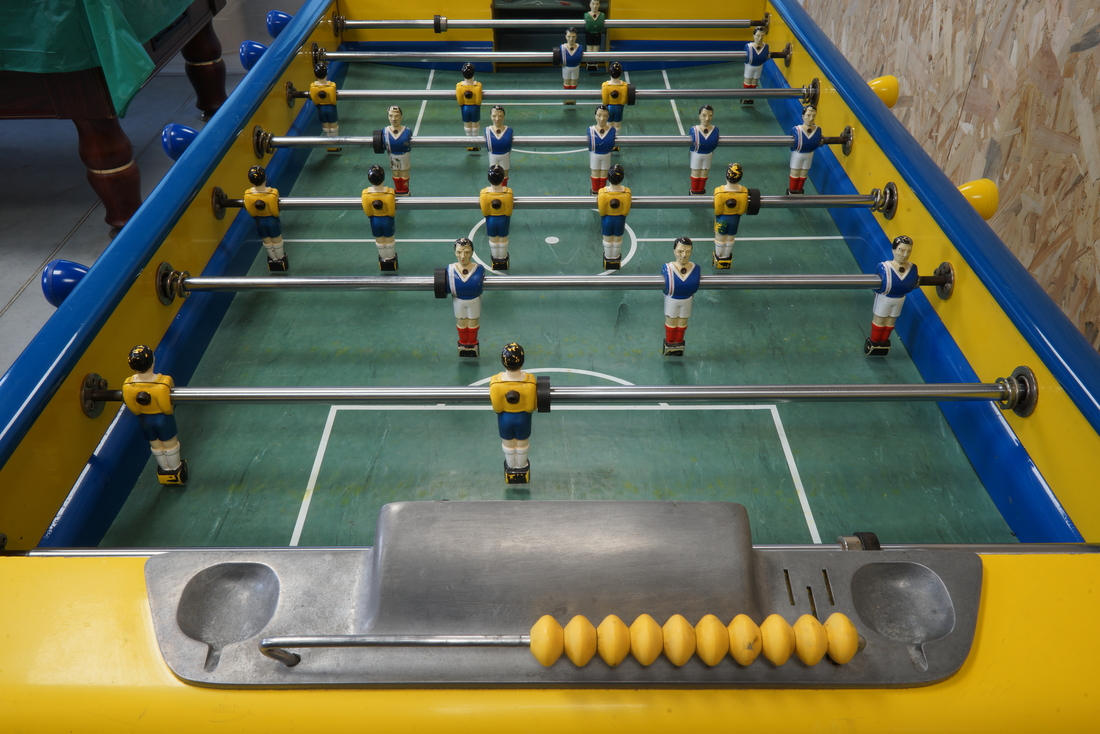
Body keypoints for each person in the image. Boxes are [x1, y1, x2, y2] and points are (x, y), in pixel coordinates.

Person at [122, 345, 187, 485]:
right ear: (153, 361)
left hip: (145, 420)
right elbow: (167, 408)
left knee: (156, 447)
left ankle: (164, 470)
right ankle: (175, 469)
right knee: (170, 445)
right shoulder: (163, 383)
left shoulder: (128, 385)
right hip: (162, 420)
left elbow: (133, 408)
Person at [490, 342, 537, 483]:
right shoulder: (530, 383)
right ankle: (521, 467)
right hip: (523, 418)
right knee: (522, 444)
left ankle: (511, 467)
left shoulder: (496, 384)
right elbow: (530, 407)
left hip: (505, 419)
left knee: (508, 445)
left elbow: (497, 408)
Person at [866, 235, 918, 356]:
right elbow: (876, 287)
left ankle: (884, 341)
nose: (905, 255)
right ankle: (874, 341)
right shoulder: (884, 267)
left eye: (908, 251)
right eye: (901, 250)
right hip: (885, 298)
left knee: (891, 321)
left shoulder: (912, 268)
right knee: (880, 319)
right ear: (893, 250)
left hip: (899, 299)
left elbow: (912, 284)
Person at [442, 238, 486, 357]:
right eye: (459, 252)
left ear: (472, 252)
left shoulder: (479, 269)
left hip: (474, 301)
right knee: (461, 323)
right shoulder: (450, 269)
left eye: (467, 252)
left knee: (473, 323)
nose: (463, 256)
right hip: (459, 300)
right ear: (455, 252)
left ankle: (472, 343)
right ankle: (463, 343)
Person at [243, 165, 287, 272]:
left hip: (259, 221)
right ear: (265, 178)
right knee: (276, 240)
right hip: (272, 221)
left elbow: (251, 212)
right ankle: (280, 258)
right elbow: (275, 212)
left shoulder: (247, 195)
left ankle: (272, 258)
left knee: (267, 241)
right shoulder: (272, 193)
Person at [661, 237, 700, 355]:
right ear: (674, 251)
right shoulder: (667, 268)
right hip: (672, 300)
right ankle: (670, 342)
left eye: (688, 252)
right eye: (680, 251)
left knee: (682, 323)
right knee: (671, 323)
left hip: (686, 300)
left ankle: (678, 343)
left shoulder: (695, 268)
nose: (684, 255)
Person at [361, 164, 398, 271]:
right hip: (387, 220)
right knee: (389, 240)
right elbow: (391, 212)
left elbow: (367, 212)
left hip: (375, 220)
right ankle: (390, 257)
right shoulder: (389, 194)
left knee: (379, 240)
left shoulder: (366, 195)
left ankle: (383, 258)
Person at [712, 163, 747, 269]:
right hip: (735, 219)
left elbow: (718, 211)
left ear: (726, 176)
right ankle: (726, 256)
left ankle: (718, 256)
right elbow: (742, 210)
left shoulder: (719, 192)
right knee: (730, 238)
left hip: (722, 219)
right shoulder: (744, 192)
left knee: (720, 238)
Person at [597, 163, 631, 269]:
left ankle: (608, 257)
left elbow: (602, 211)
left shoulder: (602, 193)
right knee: (617, 241)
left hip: (607, 220)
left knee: (607, 240)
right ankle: (615, 258)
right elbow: (625, 211)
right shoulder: (626, 193)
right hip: (620, 220)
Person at [480, 165, 514, 270]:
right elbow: (508, 212)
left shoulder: (484, 194)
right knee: (503, 240)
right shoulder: (508, 194)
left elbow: (485, 212)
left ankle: (495, 258)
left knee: (493, 240)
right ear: (503, 178)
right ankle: (503, 258)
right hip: (503, 219)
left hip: (491, 220)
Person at [788, 104, 821, 194]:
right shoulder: (796, 130)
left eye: (813, 116)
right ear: (803, 116)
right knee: (795, 173)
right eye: (808, 115)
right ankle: (792, 191)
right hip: (798, 154)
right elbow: (792, 145)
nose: (811, 118)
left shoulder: (818, 130)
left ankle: (799, 191)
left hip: (809, 155)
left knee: (803, 174)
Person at [309, 62, 340, 151]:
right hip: (331, 108)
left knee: (326, 128)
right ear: (327, 73)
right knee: (333, 128)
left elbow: (314, 100)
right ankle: (335, 146)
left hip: (321, 109)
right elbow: (333, 100)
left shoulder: (313, 87)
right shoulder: (331, 86)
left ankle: (329, 146)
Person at [688, 104, 719, 194]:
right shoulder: (694, 130)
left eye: (710, 116)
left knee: (704, 173)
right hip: (697, 154)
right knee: (695, 172)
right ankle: (694, 191)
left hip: (708, 154)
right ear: (699, 116)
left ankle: (700, 191)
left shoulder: (715, 130)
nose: (707, 119)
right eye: (704, 115)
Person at [383, 105, 412, 196]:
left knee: (404, 173)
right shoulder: (385, 131)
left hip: (404, 156)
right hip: (392, 155)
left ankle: (405, 190)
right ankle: (398, 190)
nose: (393, 119)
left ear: (401, 117)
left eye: (396, 116)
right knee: (395, 173)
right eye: (391, 116)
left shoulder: (407, 131)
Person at [587, 105, 616, 194]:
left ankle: (602, 192)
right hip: (595, 154)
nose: (602, 119)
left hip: (606, 155)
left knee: (604, 174)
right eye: (599, 115)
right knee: (595, 173)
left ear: (608, 117)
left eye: (605, 116)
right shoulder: (591, 130)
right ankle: (595, 191)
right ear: (595, 116)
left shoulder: (612, 130)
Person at [456, 62, 483, 150]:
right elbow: (478, 101)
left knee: (467, 126)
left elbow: (460, 102)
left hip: (465, 108)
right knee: (475, 126)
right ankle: (476, 144)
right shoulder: (477, 87)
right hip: (475, 108)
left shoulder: (459, 87)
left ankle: (469, 144)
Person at [484, 106, 513, 186]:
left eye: (500, 116)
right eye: (494, 116)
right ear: (490, 116)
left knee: (505, 173)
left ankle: (503, 189)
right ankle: (494, 190)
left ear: (504, 116)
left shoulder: (509, 130)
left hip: (504, 155)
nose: (497, 119)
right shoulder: (487, 130)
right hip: (493, 155)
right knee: (493, 174)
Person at [741, 26, 769, 105]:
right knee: (747, 82)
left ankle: (751, 97)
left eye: (762, 36)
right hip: (750, 66)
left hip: (759, 66)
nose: (760, 38)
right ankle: (745, 97)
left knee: (754, 83)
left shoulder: (766, 46)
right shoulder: (749, 46)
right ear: (754, 36)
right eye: (758, 35)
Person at [601, 62, 627, 135]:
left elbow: (605, 101)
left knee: (609, 124)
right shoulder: (624, 87)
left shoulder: (605, 86)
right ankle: (617, 138)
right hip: (619, 108)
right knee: (617, 124)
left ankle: (609, 137)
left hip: (609, 107)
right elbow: (623, 101)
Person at [560, 27, 583, 104]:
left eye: (573, 37)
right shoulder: (562, 47)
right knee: (566, 83)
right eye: (569, 36)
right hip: (566, 67)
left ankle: (572, 98)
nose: (571, 39)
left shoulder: (580, 47)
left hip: (576, 67)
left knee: (574, 83)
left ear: (576, 37)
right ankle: (567, 98)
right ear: (565, 37)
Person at [583, 0, 605, 70]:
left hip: (598, 34)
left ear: (599, 5)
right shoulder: (586, 15)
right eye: (593, 4)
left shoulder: (602, 15)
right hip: (589, 34)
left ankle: (595, 64)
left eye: (597, 4)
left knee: (596, 49)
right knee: (589, 49)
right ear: (589, 5)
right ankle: (589, 64)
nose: (595, 6)